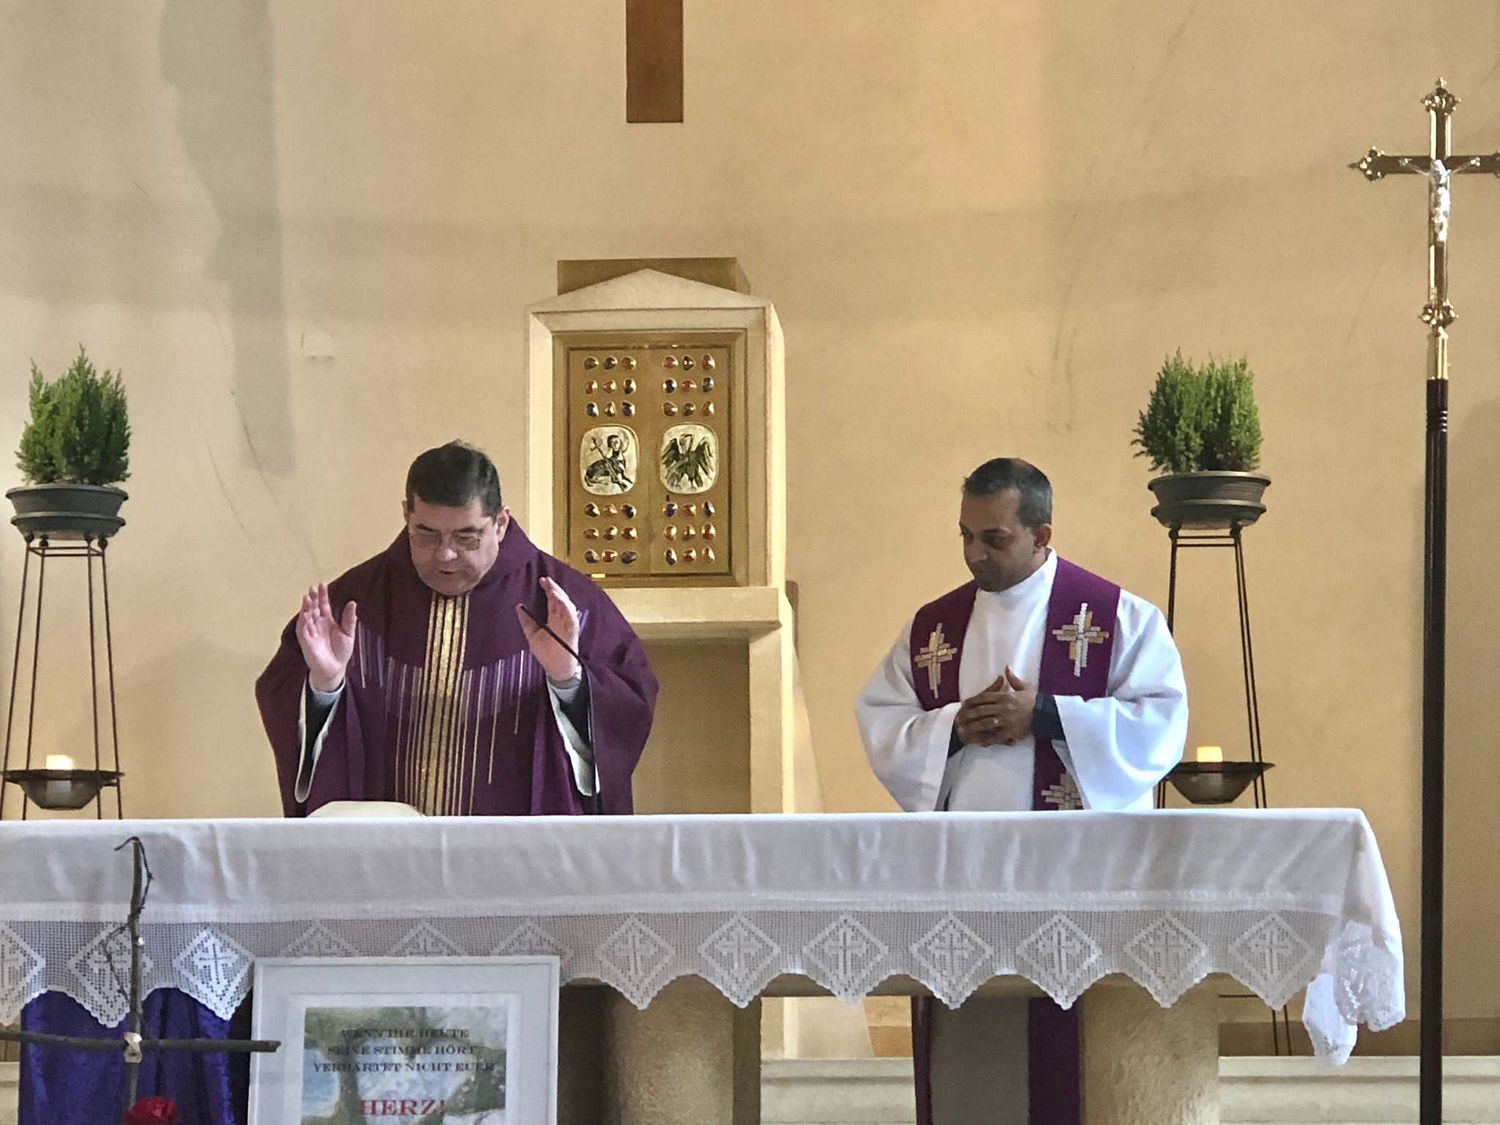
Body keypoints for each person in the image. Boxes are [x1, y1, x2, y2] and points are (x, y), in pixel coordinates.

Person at [854, 457, 1187, 1125]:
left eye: (994, 538)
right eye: (966, 536)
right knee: (976, 1071)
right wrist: (953, 728)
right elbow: (882, 719)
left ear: (1042, 534)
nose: (975, 553)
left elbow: (1162, 723)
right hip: (963, 878)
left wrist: (1048, 715)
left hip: (1078, 879)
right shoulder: (934, 628)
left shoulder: (1117, 616)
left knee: (1073, 1067)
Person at [256, 440, 658, 816]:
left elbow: (627, 710)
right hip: (387, 856)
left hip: (513, 857)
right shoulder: (354, 604)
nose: (445, 555)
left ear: (500, 523)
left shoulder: (568, 606)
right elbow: (285, 704)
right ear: (406, 515)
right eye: (426, 534)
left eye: (467, 536)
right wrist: (324, 687)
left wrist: (568, 680)